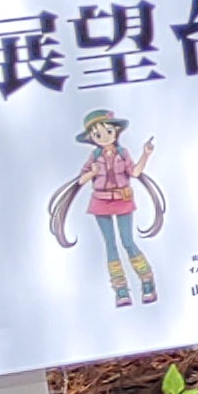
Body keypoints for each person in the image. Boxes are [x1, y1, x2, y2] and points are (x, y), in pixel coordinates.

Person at [46, 111, 161, 306]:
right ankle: (120, 288)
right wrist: (91, 172)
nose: (104, 137)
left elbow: (134, 172)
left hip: (122, 200)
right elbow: (81, 180)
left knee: (127, 242)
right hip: (100, 202)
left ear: (115, 131)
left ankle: (147, 280)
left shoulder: (122, 153)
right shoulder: (94, 156)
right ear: (92, 138)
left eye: (108, 131)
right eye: (98, 134)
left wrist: (145, 154)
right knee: (110, 244)